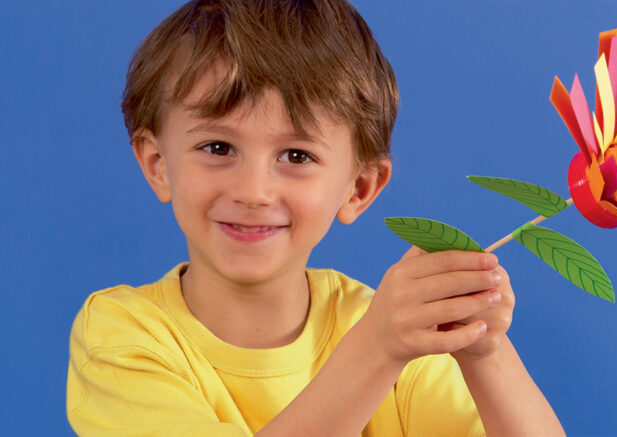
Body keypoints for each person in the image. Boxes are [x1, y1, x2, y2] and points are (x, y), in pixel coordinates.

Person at [66, 0, 565, 435]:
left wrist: (487, 353)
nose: (254, 191)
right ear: (158, 166)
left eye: (297, 156)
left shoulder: (397, 336)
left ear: (359, 188)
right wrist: (376, 349)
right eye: (217, 147)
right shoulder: (121, 335)